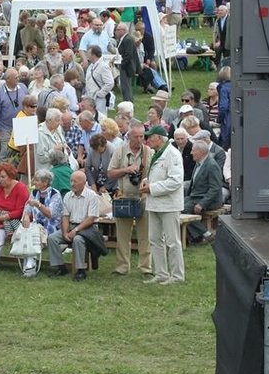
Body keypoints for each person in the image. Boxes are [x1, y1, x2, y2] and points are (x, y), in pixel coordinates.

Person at [139, 125, 185, 284]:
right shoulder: (157, 153)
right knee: (154, 239)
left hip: (169, 204)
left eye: (151, 137)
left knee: (172, 241)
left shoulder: (173, 154)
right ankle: (161, 273)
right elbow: (157, 175)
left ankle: (177, 276)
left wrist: (152, 188)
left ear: (160, 138)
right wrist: (147, 182)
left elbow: (175, 181)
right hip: (154, 203)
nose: (148, 140)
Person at [106, 121, 152, 276]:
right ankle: (122, 267)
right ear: (129, 136)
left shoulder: (148, 152)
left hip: (143, 197)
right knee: (123, 235)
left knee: (145, 235)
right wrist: (127, 170)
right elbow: (110, 173)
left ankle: (146, 267)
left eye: (142, 136)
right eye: (136, 136)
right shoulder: (120, 151)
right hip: (124, 196)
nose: (139, 139)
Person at [47, 170, 102, 281]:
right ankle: (61, 267)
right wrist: (65, 231)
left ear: (83, 182)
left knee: (78, 239)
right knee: (52, 238)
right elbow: (65, 216)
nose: (72, 184)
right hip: (72, 225)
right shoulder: (68, 195)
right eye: (71, 181)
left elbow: (91, 218)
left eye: (75, 181)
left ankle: (81, 270)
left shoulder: (92, 196)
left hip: (89, 228)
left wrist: (75, 230)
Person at [183, 140, 224, 244]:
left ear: (201, 152)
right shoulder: (199, 163)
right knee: (176, 205)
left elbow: (215, 188)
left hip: (209, 200)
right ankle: (197, 237)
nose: (191, 153)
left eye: (193, 150)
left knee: (182, 210)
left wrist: (202, 204)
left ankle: (206, 234)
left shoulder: (212, 165)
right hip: (196, 197)